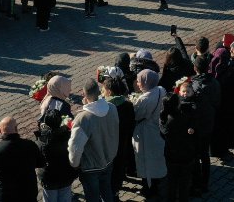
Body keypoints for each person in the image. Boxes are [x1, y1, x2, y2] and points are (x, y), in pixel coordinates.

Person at [68, 78, 120, 202]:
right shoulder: (112, 108)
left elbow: (75, 147)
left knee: (92, 197)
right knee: (107, 192)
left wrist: (74, 164)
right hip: (108, 161)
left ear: (84, 95)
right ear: (99, 92)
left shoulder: (83, 119)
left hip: (90, 168)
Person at [0, 116, 44, 202]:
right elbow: (41, 163)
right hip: (27, 192)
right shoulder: (30, 145)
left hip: (5, 195)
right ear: (16, 129)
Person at [160, 79, 198, 202]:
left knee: (171, 182)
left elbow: (163, 134)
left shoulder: (166, 120)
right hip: (187, 155)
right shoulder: (185, 114)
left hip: (172, 156)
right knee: (184, 184)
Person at [100, 70, 135, 200]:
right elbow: (132, 125)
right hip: (122, 144)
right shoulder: (128, 105)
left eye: (103, 90)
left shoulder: (105, 107)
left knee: (109, 172)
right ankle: (115, 193)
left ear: (109, 92)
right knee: (119, 169)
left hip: (108, 146)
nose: (102, 92)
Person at [132, 69, 167, 197]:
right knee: (157, 158)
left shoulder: (145, 99)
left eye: (140, 81)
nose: (138, 83)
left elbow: (137, 115)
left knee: (146, 161)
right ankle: (157, 183)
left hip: (146, 134)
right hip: (158, 130)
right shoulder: (160, 90)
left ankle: (149, 189)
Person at [190, 54, 220, 196]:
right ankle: (205, 182)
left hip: (197, 124)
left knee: (195, 154)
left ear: (195, 68)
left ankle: (196, 183)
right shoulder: (214, 82)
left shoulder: (194, 86)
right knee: (204, 154)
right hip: (209, 121)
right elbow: (217, 101)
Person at [36, 109, 78, 202]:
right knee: (65, 197)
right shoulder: (68, 135)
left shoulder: (42, 140)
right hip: (66, 175)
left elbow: (38, 159)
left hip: (49, 178)